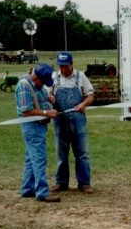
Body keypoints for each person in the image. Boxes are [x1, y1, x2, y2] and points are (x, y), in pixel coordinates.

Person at [49, 52, 95, 194]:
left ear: (72, 64)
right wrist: (51, 98)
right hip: (60, 120)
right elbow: (47, 93)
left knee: (82, 153)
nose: (63, 69)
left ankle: (84, 183)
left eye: (66, 66)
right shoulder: (53, 78)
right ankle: (61, 183)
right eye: (61, 66)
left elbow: (90, 96)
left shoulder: (81, 77)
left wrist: (83, 104)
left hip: (78, 119)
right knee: (61, 153)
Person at [15, 64, 60, 202]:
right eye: (44, 82)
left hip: (39, 127)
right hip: (32, 127)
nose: (43, 85)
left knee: (31, 159)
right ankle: (42, 192)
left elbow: (38, 96)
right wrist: (47, 112)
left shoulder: (36, 85)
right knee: (39, 159)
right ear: (37, 79)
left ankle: (27, 189)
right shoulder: (24, 86)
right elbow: (26, 111)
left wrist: (48, 98)